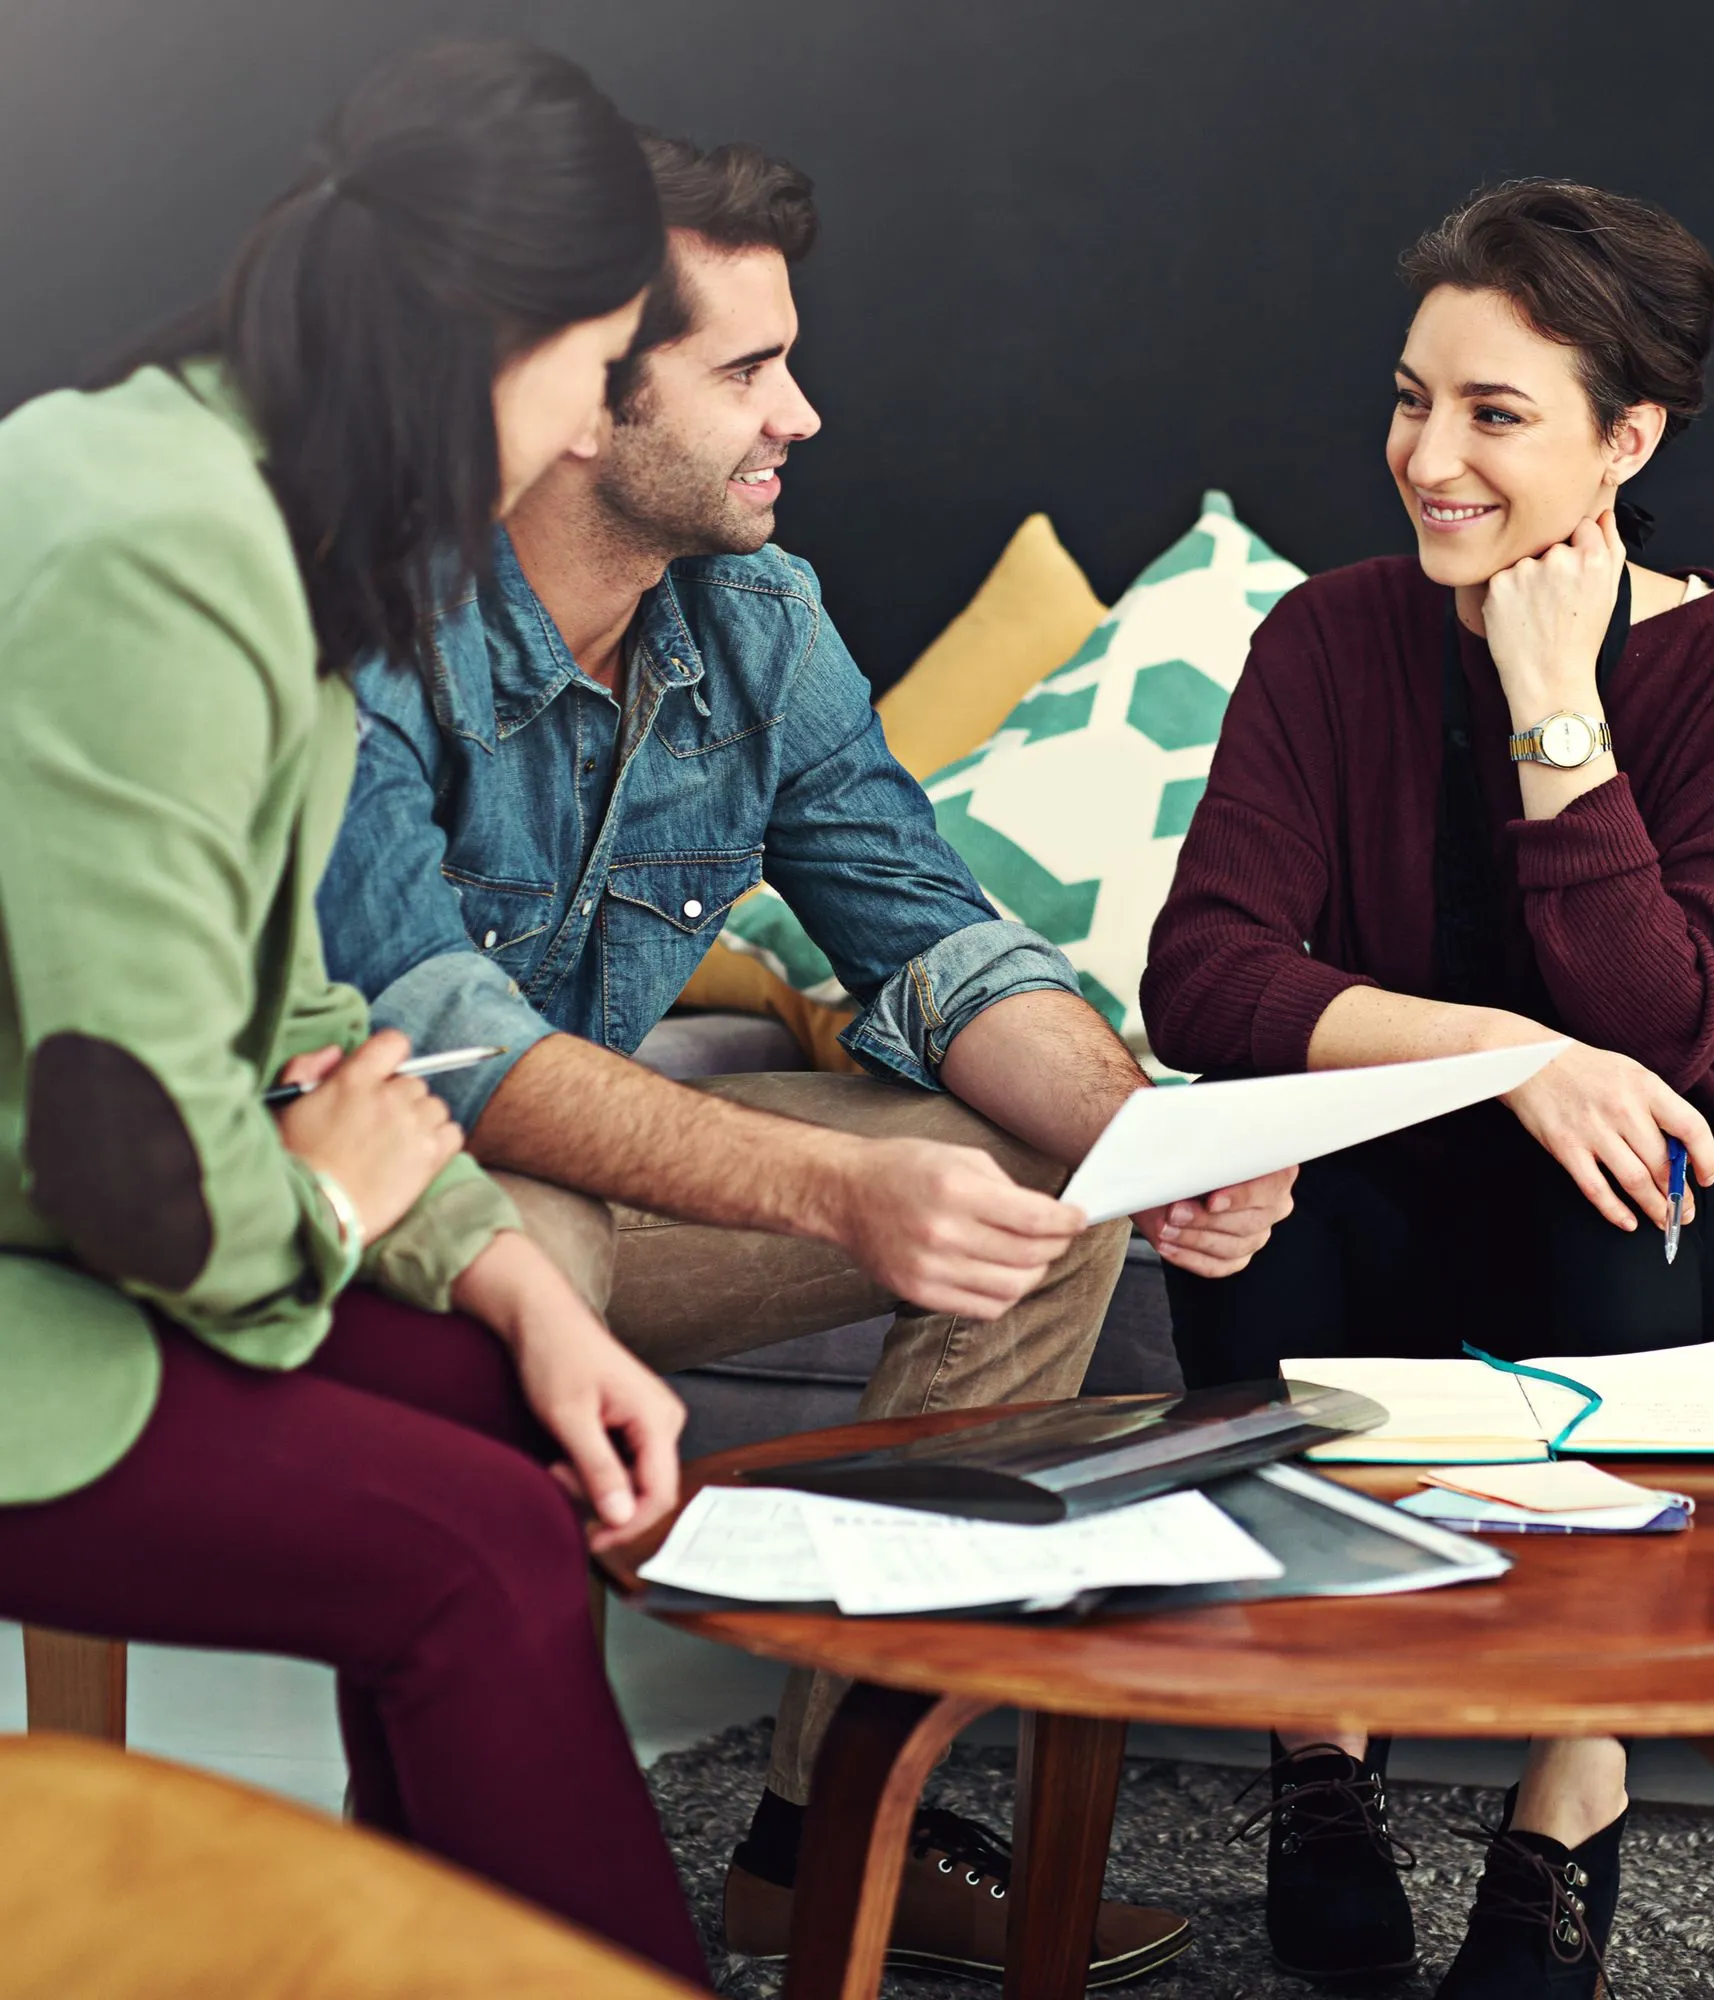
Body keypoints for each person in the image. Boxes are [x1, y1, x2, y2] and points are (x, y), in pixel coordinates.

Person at [314, 127, 1295, 1984]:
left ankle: (842, 1815)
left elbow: (926, 933)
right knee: (525, 1206)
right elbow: (440, 1056)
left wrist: (1143, 1134)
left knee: (1046, 1186)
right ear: (579, 402)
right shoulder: (369, 631)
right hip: (347, 1213)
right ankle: (455, 1857)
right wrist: (843, 1179)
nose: (807, 414)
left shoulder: (760, 623)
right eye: (749, 370)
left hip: (595, 1195)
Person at [0, 43, 712, 1984]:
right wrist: (316, 1212)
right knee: (468, 1557)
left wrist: (520, 1288)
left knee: (515, 1420)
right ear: (481, 336)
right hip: (47, 1270)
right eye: (589, 374)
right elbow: (137, 1146)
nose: (585, 437)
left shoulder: (245, 502)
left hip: (62, 1241)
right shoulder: (159, 547)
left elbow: (295, 1008)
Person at [1141, 179, 1714, 1997]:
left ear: (1627, 439)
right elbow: (1205, 972)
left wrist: (1563, 715)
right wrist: (1505, 1053)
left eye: (1495, 413)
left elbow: (1664, 1025)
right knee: (1252, 1186)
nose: (1430, 457)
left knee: (1610, 1159)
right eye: (1412, 398)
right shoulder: (1329, 640)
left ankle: (1574, 1781)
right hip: (1409, 1183)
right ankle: (1322, 1753)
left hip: (1703, 1209)